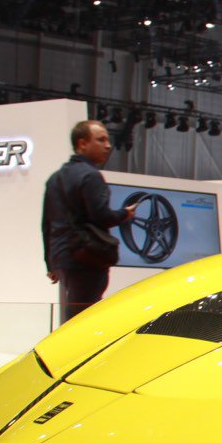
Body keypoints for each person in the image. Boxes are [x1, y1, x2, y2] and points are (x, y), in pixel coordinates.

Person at [42, 120, 136, 324]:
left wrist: (50, 262)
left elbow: (46, 224)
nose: (108, 146)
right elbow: (101, 216)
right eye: (101, 140)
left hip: (62, 258)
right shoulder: (91, 176)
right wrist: (124, 214)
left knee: (74, 313)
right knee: (83, 319)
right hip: (87, 257)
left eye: (108, 140)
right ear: (82, 143)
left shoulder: (55, 178)